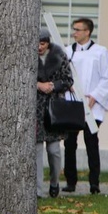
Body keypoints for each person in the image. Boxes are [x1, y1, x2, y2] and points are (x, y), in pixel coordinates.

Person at [62, 18, 108, 195]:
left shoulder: (100, 52)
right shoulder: (68, 51)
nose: (74, 33)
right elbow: (62, 73)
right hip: (72, 103)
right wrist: (67, 84)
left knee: (91, 142)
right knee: (70, 143)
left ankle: (94, 183)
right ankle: (71, 181)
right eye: (74, 29)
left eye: (78, 30)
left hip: (92, 105)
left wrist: (95, 96)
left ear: (87, 32)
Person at [36, 28, 73, 198]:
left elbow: (68, 79)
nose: (39, 47)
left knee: (54, 151)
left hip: (53, 108)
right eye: (36, 43)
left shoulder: (59, 54)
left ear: (48, 43)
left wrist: (52, 86)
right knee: (35, 151)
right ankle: (36, 190)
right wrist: (38, 85)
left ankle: (54, 182)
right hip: (34, 109)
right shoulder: (25, 55)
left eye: (42, 43)